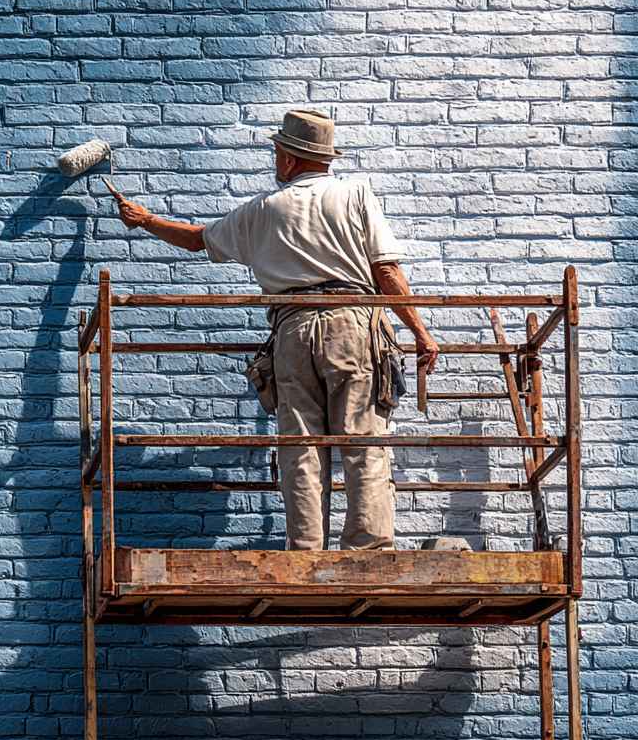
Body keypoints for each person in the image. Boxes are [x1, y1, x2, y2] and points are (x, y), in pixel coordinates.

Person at [108, 109, 439, 550]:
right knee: (363, 437)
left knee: (299, 443)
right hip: (353, 323)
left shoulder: (264, 210)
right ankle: (368, 549)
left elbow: (195, 238)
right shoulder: (355, 194)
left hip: (291, 329)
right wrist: (420, 332)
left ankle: (305, 550)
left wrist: (145, 219)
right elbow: (387, 271)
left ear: (287, 158)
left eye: (276, 152)